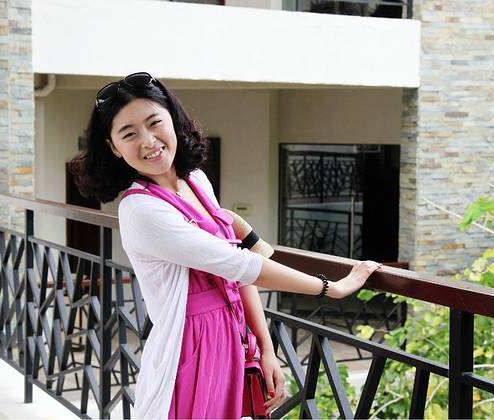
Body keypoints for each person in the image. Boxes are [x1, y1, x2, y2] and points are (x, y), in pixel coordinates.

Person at [69, 72, 383, 419]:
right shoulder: (140, 209)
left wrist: (266, 348)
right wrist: (331, 288)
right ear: (114, 147)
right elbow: (240, 264)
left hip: (231, 337)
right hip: (189, 348)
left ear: (172, 118)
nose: (148, 140)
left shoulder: (196, 181)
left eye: (154, 122)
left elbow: (235, 269)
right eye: (129, 134)